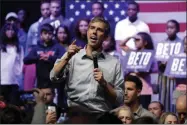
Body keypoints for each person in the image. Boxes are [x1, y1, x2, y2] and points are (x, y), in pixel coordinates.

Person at [50, 17, 124, 116]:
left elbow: (119, 99)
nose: (94, 32)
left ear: (105, 37)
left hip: (101, 116)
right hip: (75, 115)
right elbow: (53, 77)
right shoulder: (73, 56)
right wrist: (66, 58)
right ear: (88, 31)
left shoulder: (114, 63)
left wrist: (104, 84)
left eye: (99, 30)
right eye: (92, 28)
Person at [24, 24, 65, 88]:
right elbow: (26, 60)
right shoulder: (36, 48)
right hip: (40, 84)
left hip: (55, 83)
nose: (47, 36)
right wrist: (39, 57)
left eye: (49, 34)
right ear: (41, 35)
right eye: (45, 33)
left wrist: (50, 58)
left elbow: (64, 59)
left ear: (53, 35)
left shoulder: (58, 47)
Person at [24, 0, 51, 91]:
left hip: (50, 56)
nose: (45, 11)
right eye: (43, 9)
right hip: (37, 56)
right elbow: (28, 44)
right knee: (35, 82)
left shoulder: (56, 24)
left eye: (47, 9)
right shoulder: (34, 26)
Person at [158, 19, 182, 112]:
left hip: (175, 76)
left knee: (175, 100)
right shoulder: (162, 43)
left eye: (172, 28)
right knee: (163, 99)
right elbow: (158, 62)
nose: (169, 30)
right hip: (163, 76)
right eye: (167, 28)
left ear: (177, 29)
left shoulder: (181, 43)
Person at [128, 32, 157, 108]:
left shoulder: (150, 55)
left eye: (137, 40)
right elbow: (121, 45)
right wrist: (131, 36)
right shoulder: (132, 53)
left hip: (144, 88)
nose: (135, 41)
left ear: (145, 42)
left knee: (143, 111)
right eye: (134, 40)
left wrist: (144, 71)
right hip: (131, 88)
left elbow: (155, 68)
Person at [0, 23, 24, 106]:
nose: (10, 32)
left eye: (12, 29)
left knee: (13, 107)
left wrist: (19, 80)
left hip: (14, 81)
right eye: (8, 29)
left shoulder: (19, 48)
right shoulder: (1, 47)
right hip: (2, 81)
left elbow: (21, 64)